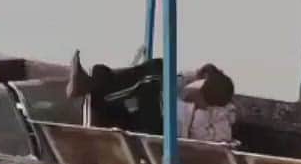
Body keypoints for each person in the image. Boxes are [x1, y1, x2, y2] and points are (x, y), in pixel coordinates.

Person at [66, 52, 237, 142]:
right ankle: (95, 83)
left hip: (163, 129)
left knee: (151, 82)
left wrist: (198, 110)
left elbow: (205, 144)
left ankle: (93, 84)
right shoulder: (192, 95)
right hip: (156, 111)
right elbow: (174, 84)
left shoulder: (219, 124)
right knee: (157, 69)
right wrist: (196, 75)